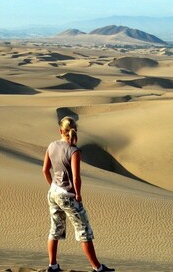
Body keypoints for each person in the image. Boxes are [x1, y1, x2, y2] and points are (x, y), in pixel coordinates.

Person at [42, 116, 115, 272]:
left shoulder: (51, 145)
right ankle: (98, 268)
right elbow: (76, 177)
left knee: (55, 229)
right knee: (84, 230)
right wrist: (78, 195)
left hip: (53, 192)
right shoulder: (74, 151)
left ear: (61, 130)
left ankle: (52, 266)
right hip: (68, 195)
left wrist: (53, 185)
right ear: (74, 131)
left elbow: (44, 170)